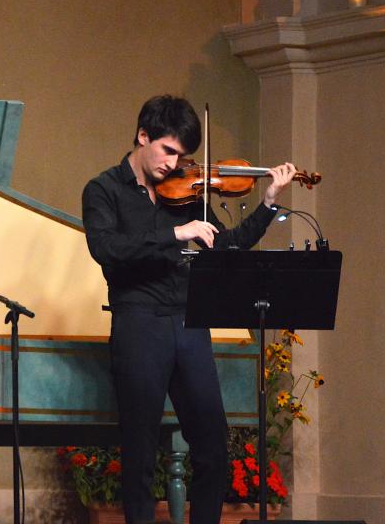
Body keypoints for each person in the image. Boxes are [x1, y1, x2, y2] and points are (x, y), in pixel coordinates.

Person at [81, 95, 297, 524]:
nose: (174, 163)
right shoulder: (103, 189)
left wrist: (268, 202)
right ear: (143, 136)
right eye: (168, 150)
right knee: (140, 453)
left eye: (182, 155)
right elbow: (107, 249)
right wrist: (177, 233)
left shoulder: (186, 194)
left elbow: (228, 246)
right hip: (139, 325)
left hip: (189, 325)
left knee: (214, 450)